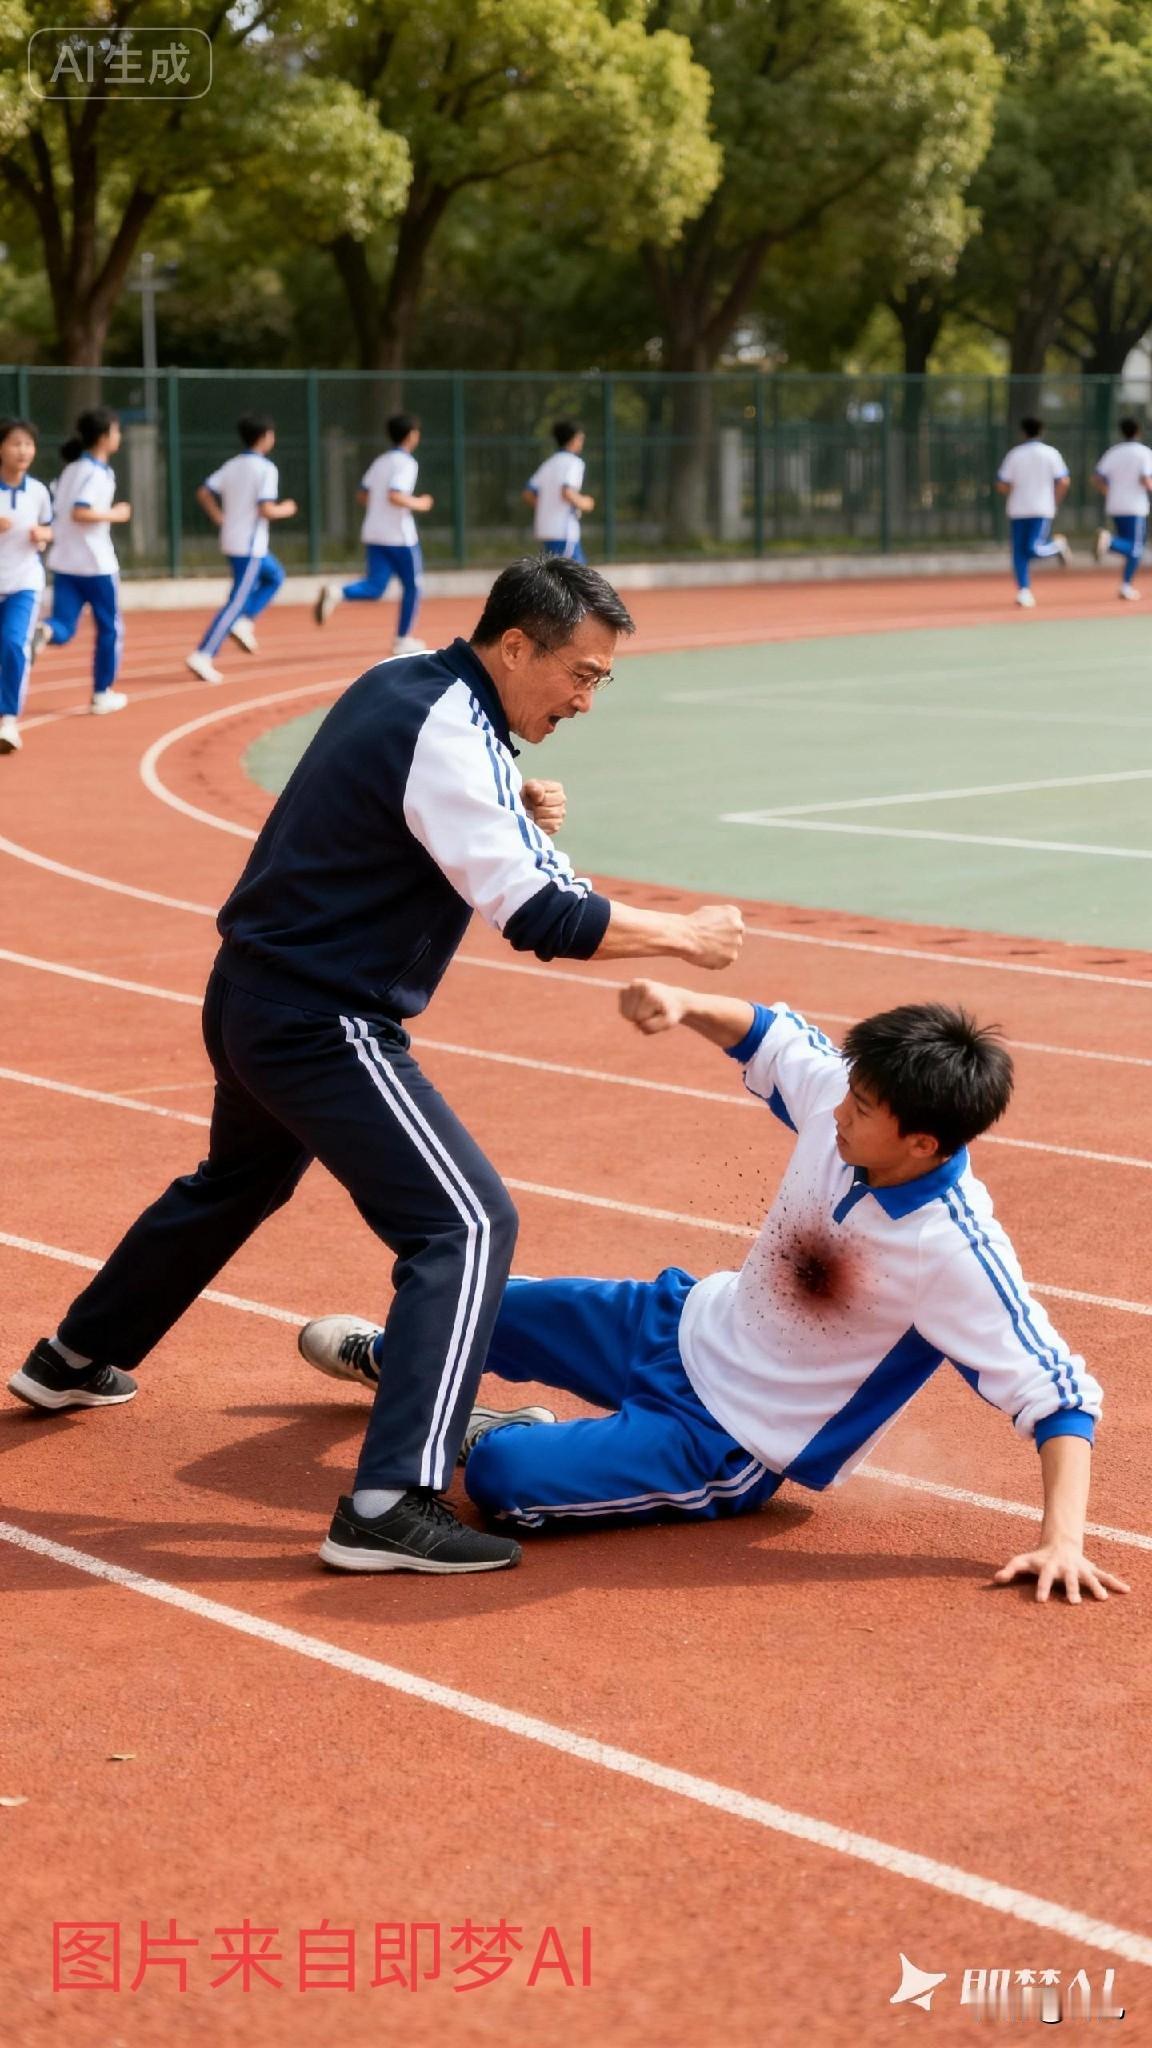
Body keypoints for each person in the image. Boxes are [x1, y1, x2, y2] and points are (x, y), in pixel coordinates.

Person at [8, 557, 744, 1579]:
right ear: (517, 644)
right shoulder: (454, 735)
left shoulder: (408, 680)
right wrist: (686, 934)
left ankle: (74, 1358)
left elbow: (391, 802)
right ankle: (391, 1500)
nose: (584, 699)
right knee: (468, 1223)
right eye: (580, 674)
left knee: (238, 1180)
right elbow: (544, 916)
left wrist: (506, 800)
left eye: (601, 683)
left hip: (251, 993)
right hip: (322, 1018)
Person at [302, 986, 1125, 1607]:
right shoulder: (846, 1110)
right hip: (681, 1320)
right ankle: (404, 1369)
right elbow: (770, 1036)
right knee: (473, 1303)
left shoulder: (952, 1253)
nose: (839, 1109)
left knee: (501, 1478)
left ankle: (485, 1428)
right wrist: (683, 1001)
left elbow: (1057, 1396)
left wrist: (1062, 1541)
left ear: (922, 1142)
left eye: (862, 1107)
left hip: (718, 1437)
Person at [186, 414, 297, 685]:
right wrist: (287, 509)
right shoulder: (266, 469)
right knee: (236, 600)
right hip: (250, 545)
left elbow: (203, 491)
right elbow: (266, 508)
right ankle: (203, 653)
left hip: (234, 539)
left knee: (275, 576)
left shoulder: (233, 465)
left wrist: (217, 515)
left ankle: (243, 622)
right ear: (265, 437)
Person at [35, 407, 131, 712]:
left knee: (62, 625)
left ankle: (44, 631)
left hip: (64, 561)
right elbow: (81, 510)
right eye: (116, 432)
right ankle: (102, 692)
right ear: (104, 437)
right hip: (96, 563)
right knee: (110, 628)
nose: (120, 437)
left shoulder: (71, 469)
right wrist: (115, 514)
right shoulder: (98, 472)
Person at [314, 413, 432, 651]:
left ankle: (338, 592)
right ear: (411, 435)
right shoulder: (407, 463)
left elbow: (362, 494)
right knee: (413, 585)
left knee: (375, 586)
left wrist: (380, 506)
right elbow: (395, 494)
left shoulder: (380, 462)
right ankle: (402, 638)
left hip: (374, 531)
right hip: (399, 536)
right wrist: (420, 503)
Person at [0, 417, 53, 757]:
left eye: (28, 444)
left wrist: (42, 535)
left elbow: (49, 531)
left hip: (24, 583)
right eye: (16, 443)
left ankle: (8, 719)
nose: (23, 451)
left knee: (11, 644)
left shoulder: (38, 492)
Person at [995, 416, 1071, 608]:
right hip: (1029, 508)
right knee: (1018, 553)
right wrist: (1055, 500)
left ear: (1022, 432)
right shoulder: (1050, 453)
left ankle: (1057, 546)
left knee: (1032, 549)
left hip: (1034, 509)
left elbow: (1002, 484)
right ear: (1041, 431)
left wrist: (1016, 490)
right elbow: (1063, 481)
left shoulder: (1016, 454)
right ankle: (1024, 591)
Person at [1092, 416, 1152, 601]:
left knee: (1129, 546)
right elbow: (1145, 478)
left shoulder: (1113, 452)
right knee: (1136, 548)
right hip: (1135, 506)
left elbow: (1097, 477)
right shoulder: (1144, 453)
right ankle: (1109, 543)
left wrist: (1108, 491)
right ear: (1138, 431)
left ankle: (1126, 586)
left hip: (1115, 504)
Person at [524, 420, 594, 563]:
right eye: (580, 438)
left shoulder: (549, 463)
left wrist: (547, 507)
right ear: (572, 439)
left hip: (546, 529)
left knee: (555, 577)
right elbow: (566, 491)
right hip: (564, 532)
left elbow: (528, 493)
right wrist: (585, 502)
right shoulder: (574, 463)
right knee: (579, 579)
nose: (581, 442)